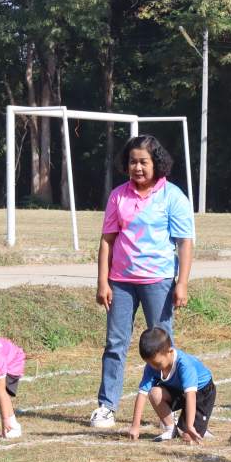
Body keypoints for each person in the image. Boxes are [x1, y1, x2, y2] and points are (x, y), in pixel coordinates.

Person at [90, 135, 194, 429]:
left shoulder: (172, 196)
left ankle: (168, 410)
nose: (137, 167)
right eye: (132, 161)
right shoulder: (118, 196)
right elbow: (107, 241)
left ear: (156, 163)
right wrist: (102, 281)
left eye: (143, 161)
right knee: (115, 344)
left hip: (158, 282)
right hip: (120, 282)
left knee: (163, 346)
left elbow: (184, 243)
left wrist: (181, 283)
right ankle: (106, 407)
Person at [127, 328, 214, 443]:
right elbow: (142, 394)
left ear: (170, 352)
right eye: (149, 363)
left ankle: (200, 428)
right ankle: (171, 430)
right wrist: (135, 425)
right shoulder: (152, 366)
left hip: (201, 392)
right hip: (180, 390)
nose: (153, 367)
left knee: (188, 437)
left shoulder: (185, 365)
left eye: (157, 363)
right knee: (154, 392)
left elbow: (191, 397)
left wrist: (189, 426)